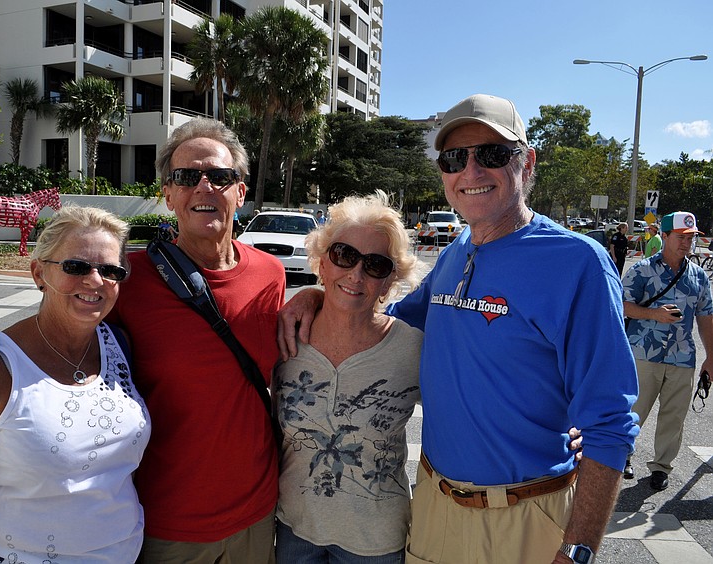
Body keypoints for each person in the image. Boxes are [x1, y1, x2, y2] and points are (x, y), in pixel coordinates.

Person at [278, 94, 639, 564]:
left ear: (526, 163)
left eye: (491, 154)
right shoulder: (457, 254)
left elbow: (610, 422)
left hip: (526, 513)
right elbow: (381, 313)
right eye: (454, 158)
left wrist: (577, 549)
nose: (471, 171)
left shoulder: (577, 262)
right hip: (435, 509)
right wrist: (319, 295)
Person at [0, 118, 286, 563]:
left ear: (240, 191)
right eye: (186, 177)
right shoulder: (128, 278)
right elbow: (61, 320)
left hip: (256, 516)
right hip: (165, 524)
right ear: (167, 194)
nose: (204, 187)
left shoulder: (271, 275)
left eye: (220, 177)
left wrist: (315, 297)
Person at [0, 205, 151, 563]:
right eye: (76, 266)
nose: (95, 281)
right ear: (39, 273)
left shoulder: (121, 345)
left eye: (110, 270)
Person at [274, 191, 426, 563]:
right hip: (294, 528)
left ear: (389, 282)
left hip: (375, 541)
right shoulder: (285, 335)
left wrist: (562, 429)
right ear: (322, 263)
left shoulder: (413, 348)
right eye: (344, 255)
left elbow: (471, 405)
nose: (356, 273)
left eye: (375, 265)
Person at [622, 211, 713, 490]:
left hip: (682, 356)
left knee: (674, 417)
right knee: (632, 412)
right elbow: (619, 305)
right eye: (681, 237)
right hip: (642, 354)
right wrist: (654, 315)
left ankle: (661, 467)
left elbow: (706, 317)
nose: (687, 243)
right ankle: (623, 454)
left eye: (691, 238)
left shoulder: (698, 276)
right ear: (663, 236)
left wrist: (711, 356)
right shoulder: (642, 270)